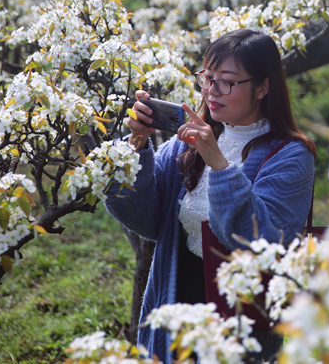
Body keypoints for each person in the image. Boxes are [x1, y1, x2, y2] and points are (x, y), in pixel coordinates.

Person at [106, 29, 316, 363]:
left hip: (242, 307)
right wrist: (136, 146)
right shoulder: (188, 141)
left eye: (228, 82)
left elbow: (258, 241)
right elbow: (146, 218)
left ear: (262, 87)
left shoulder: (290, 155)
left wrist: (218, 164)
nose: (212, 91)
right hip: (177, 287)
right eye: (208, 78)